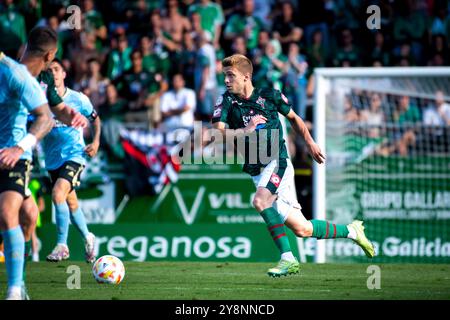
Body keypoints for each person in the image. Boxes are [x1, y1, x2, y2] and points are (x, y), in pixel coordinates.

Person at [211, 54, 375, 277]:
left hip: (277, 162)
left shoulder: (269, 96)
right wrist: (244, 131)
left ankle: (287, 258)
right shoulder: (226, 101)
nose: (227, 81)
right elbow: (218, 133)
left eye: (231, 76)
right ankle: (352, 231)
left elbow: (294, 118)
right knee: (302, 229)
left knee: (260, 200)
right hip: (256, 171)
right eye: (224, 76)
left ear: (246, 76)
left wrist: (310, 143)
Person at [17, 26, 88, 300]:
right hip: (27, 151)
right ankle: (87, 239)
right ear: (49, 55)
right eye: (53, 60)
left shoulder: (47, 80)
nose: (54, 67)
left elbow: (57, 109)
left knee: (27, 215)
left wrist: (74, 117)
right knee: (64, 202)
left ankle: (17, 285)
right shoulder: (10, 72)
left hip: (23, 154)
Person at [0, 50, 53, 299]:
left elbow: (47, 116)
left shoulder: (14, 74)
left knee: (8, 212)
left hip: (13, 157)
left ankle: (14, 289)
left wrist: (19, 146)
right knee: (27, 213)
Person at [44, 58, 101, 263]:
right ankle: (88, 237)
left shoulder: (78, 99)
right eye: (49, 70)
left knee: (58, 193)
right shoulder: (41, 100)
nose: (54, 73)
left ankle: (62, 245)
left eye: (57, 69)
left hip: (75, 155)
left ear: (64, 74)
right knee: (70, 200)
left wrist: (95, 142)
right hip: (52, 159)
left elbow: (95, 119)